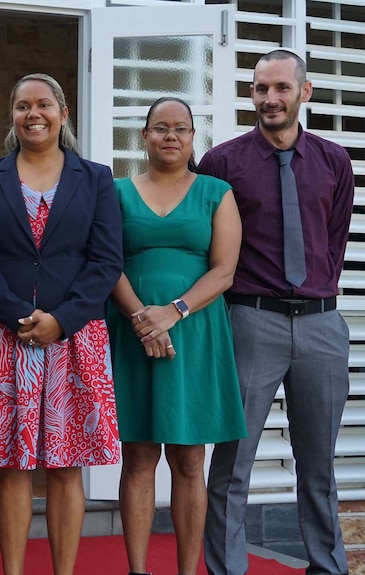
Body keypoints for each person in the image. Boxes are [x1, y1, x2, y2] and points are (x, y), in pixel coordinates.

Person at [0, 73, 122, 575]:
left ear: (63, 114)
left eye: (44, 105)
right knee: (13, 465)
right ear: (13, 115)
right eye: (23, 106)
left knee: (69, 466)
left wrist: (62, 320)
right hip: (3, 337)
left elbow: (106, 261)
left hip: (74, 337)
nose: (33, 114)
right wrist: (18, 315)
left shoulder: (96, 178)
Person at [199, 50, 354, 575]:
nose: (271, 98)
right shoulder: (221, 163)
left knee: (319, 468)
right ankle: (227, 569)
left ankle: (327, 568)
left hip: (321, 327)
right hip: (250, 322)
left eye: (281, 88)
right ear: (252, 94)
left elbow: (332, 245)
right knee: (232, 465)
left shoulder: (335, 161)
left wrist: (317, 298)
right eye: (262, 88)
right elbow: (210, 247)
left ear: (303, 93)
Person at [106, 97, 246, 575]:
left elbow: (225, 270)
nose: (170, 136)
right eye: (160, 128)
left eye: (181, 129)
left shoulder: (216, 191)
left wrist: (174, 311)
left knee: (189, 459)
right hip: (130, 332)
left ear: (192, 139)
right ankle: (139, 570)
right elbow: (106, 262)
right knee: (139, 456)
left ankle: (189, 571)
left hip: (195, 333)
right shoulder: (116, 192)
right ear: (143, 136)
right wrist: (143, 319)